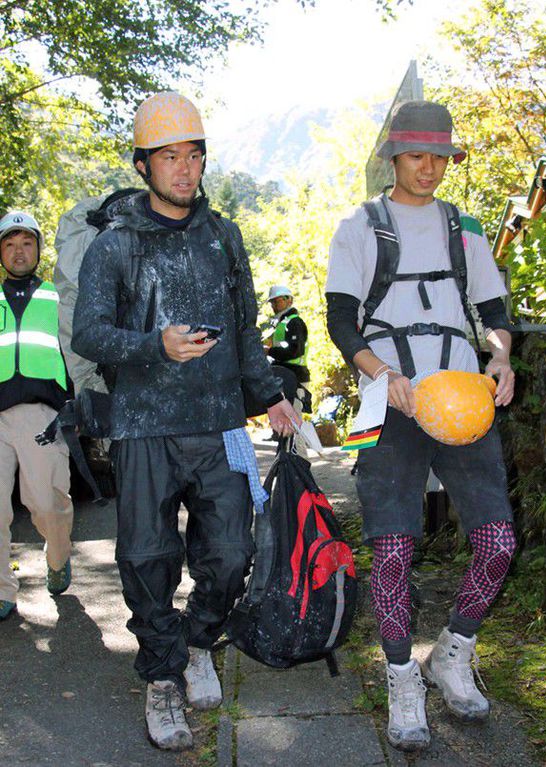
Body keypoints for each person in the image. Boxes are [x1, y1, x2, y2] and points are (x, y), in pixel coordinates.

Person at [71, 92, 300, 752]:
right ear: (144, 164)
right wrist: (152, 345)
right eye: (170, 155)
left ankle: (200, 640)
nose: (185, 168)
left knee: (233, 553)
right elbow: (88, 333)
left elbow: (246, 329)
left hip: (221, 421)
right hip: (144, 425)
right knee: (146, 557)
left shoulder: (223, 237)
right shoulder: (114, 247)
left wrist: (270, 393)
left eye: (194, 154)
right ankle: (163, 675)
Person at [325, 100, 516, 753]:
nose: (429, 168)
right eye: (416, 156)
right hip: (383, 399)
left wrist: (500, 354)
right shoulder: (359, 226)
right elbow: (340, 320)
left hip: (464, 393)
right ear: (393, 158)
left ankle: (454, 653)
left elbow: (492, 308)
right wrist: (379, 372)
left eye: (440, 156)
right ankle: (402, 674)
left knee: (497, 539)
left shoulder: (465, 227)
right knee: (393, 547)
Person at [0, 211, 73, 621]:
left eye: (26, 242)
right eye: (9, 244)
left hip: (42, 416)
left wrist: (75, 406)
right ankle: (2, 591)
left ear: (38, 249)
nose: (18, 251)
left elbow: (77, 354)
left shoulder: (57, 297)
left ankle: (59, 559)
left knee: (47, 503)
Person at [263, 285, 310, 447]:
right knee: (287, 426)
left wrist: (269, 351)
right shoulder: (281, 323)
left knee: (294, 425)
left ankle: (300, 466)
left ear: (289, 300)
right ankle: (289, 466)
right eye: (272, 302)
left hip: (296, 378)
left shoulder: (294, 322)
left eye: (277, 301)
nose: (274, 305)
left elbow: (295, 351)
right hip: (285, 377)